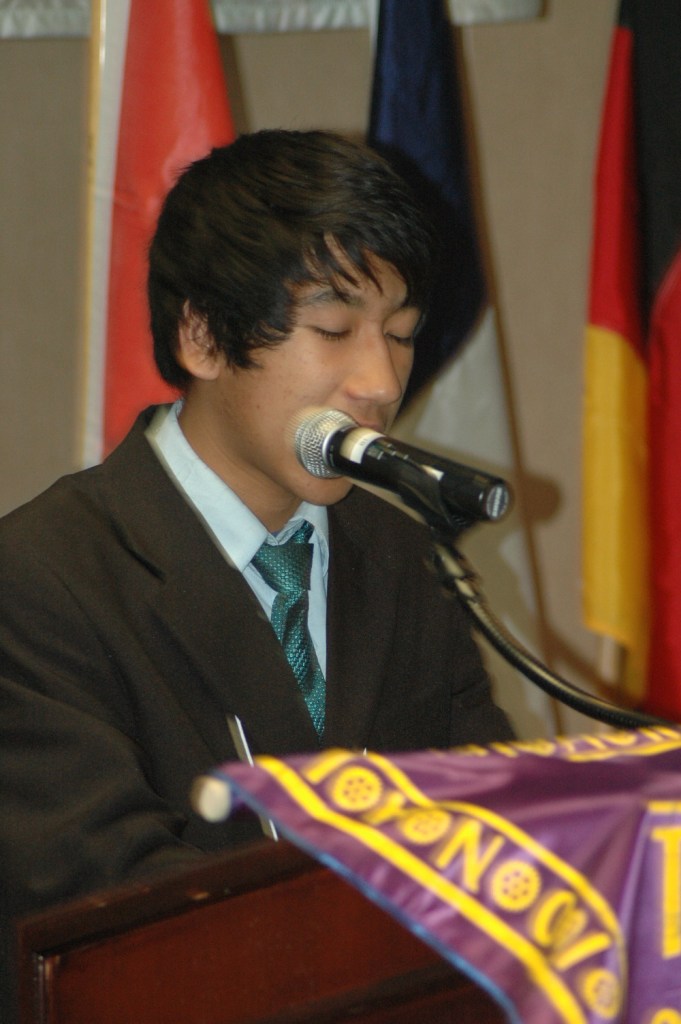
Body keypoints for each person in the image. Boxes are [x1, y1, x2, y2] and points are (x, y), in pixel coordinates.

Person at [0, 129, 513, 1013]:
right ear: (202, 336)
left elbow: (489, 835)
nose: (379, 383)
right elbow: (110, 915)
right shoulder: (42, 576)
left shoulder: (401, 557)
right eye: (333, 330)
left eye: (399, 335)